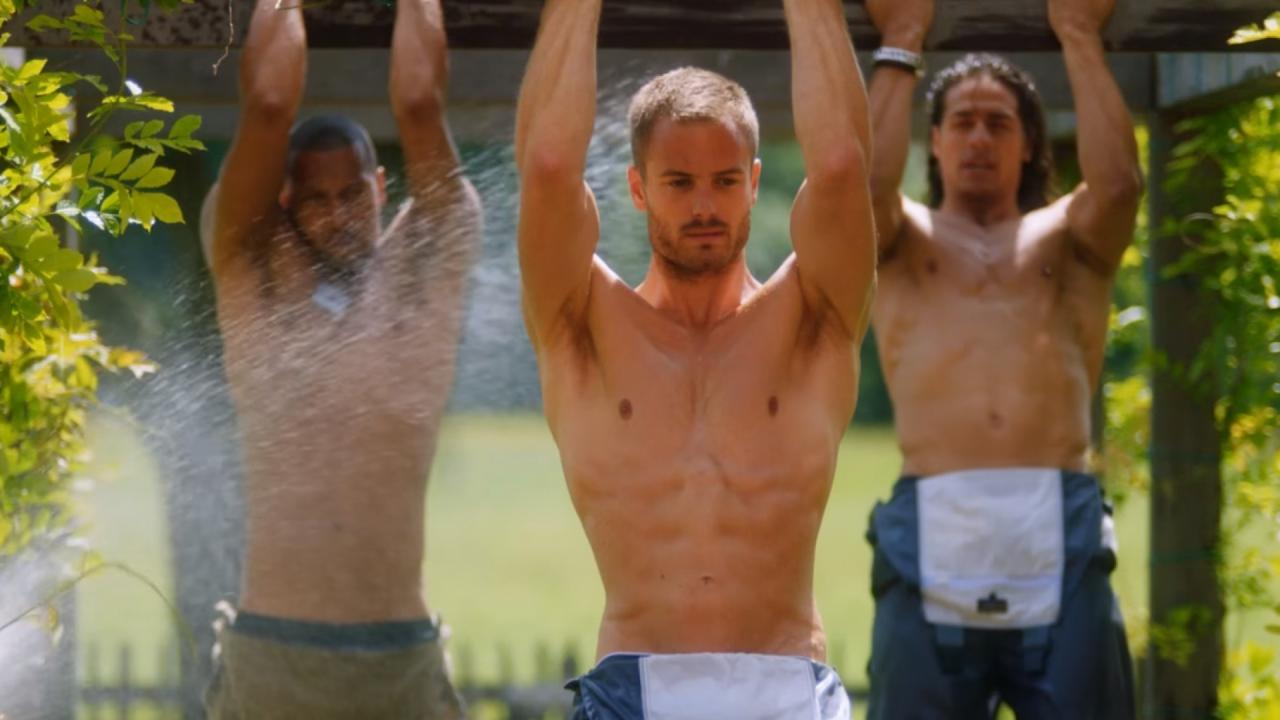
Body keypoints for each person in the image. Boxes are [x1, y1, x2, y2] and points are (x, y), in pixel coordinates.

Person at [515, 0, 876, 716]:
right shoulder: (582, 322)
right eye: (679, 183)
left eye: (726, 181)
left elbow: (839, 167)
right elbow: (549, 167)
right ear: (639, 188)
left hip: (785, 685)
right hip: (638, 686)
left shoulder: (813, 317)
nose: (705, 205)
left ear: (754, 181)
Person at [862, 0, 1142, 716]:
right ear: (934, 141)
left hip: (1059, 525)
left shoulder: (1069, 239)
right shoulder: (899, 242)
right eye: (962, 121)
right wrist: (902, 36)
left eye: (999, 122)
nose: (980, 137)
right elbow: (859, 186)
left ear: (1028, 145)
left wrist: (1077, 32)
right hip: (931, 523)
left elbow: (1118, 185)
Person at [200, 0, 479, 716]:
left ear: (380, 187)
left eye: (352, 193)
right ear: (284, 200)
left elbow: (419, 103)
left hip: (400, 655)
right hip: (274, 654)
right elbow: (268, 103)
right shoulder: (253, 267)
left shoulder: (424, 267)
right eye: (316, 199)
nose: (337, 214)